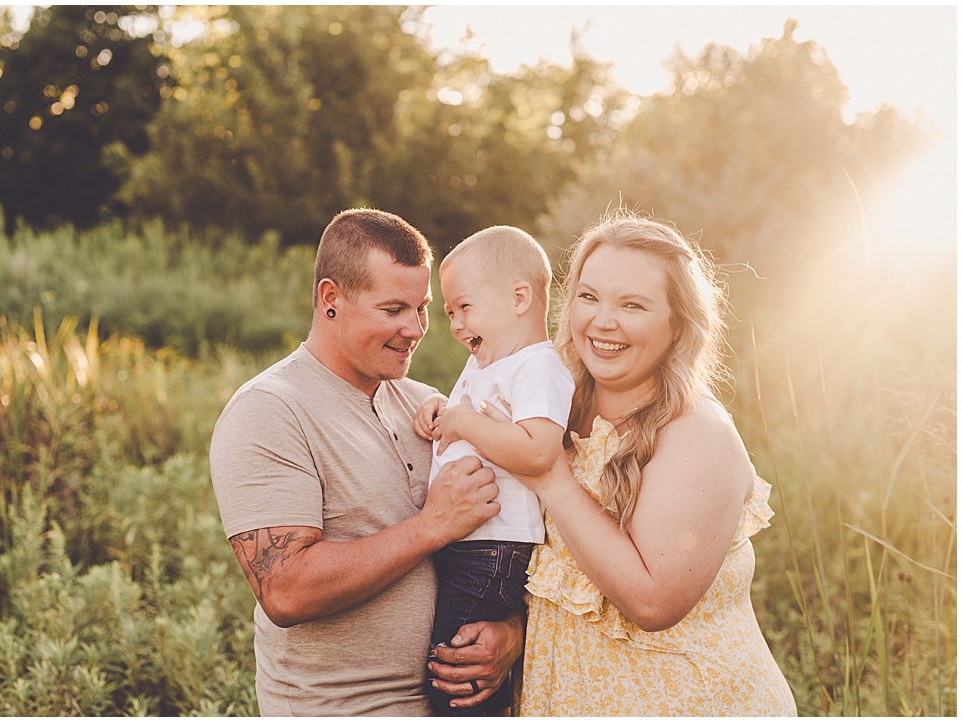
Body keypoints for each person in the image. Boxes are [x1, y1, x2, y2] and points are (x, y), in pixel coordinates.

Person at [209, 208, 524, 716]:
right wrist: (432, 526)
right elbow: (285, 590)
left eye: (422, 308)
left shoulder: (428, 404)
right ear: (331, 298)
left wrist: (511, 633)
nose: (416, 329)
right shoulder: (269, 410)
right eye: (393, 308)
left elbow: (506, 532)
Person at [502, 212, 797, 715]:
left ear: (678, 324)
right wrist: (508, 630)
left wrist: (551, 478)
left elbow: (653, 602)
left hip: (688, 703)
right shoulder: (550, 407)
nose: (602, 322)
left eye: (632, 305)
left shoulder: (696, 432)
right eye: (589, 297)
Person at [412, 226, 574, 716]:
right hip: (466, 541)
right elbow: (467, 419)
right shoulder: (485, 362)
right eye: (449, 313)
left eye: (464, 307)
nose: (456, 324)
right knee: (455, 659)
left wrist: (465, 421)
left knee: (456, 667)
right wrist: (439, 411)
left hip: (494, 548)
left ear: (519, 297)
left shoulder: (537, 366)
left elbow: (538, 450)